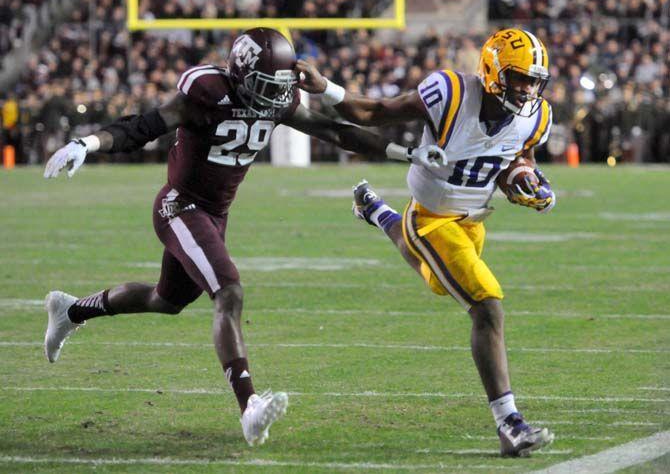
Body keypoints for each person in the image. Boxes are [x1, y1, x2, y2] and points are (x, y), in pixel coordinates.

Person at [42, 28, 446, 446]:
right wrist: (86, 143)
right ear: (240, 73)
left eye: (278, 87)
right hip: (180, 205)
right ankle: (250, 406)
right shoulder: (205, 91)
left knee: (167, 300)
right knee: (229, 292)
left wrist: (406, 154)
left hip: (215, 215)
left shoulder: (279, 96)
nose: (273, 97)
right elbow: (142, 126)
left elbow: (336, 131)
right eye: (264, 85)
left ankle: (71, 311)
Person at [297, 28, 557, 457]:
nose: (529, 88)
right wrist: (326, 87)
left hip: (474, 221)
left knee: (437, 278)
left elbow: (515, 156)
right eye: (520, 78)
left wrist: (523, 180)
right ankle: (510, 424)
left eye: (535, 80)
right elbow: (374, 111)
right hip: (433, 218)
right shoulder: (451, 92)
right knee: (487, 305)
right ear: (493, 72)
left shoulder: (538, 116)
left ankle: (376, 212)